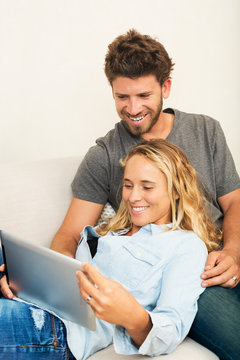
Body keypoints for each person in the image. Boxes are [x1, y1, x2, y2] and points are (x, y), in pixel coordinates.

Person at [2, 29, 240, 359]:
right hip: (191, 276)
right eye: (121, 97)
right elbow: (70, 234)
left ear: (165, 88)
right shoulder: (104, 156)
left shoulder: (205, 130)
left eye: (143, 95)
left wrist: (233, 250)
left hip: (213, 253)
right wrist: (48, 286)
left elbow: (234, 201)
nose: (132, 108)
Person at [0, 139, 222, 359]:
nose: (133, 197)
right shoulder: (108, 230)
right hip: (28, 302)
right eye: (128, 185)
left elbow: (171, 329)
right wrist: (20, 278)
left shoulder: (186, 246)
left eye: (147, 187)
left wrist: (132, 316)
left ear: (176, 190)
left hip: (55, 330)